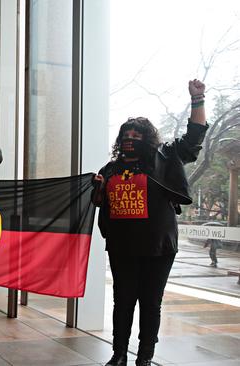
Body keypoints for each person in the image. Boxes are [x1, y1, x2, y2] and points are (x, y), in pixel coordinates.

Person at [92, 79, 208, 366]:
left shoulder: (165, 157)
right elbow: (100, 203)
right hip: (122, 247)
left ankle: (144, 358)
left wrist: (198, 100)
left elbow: (193, 138)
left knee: (150, 303)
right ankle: (118, 354)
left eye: (137, 134)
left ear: (148, 138)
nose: (130, 138)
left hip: (159, 247)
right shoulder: (110, 169)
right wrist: (97, 188)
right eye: (126, 134)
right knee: (123, 303)